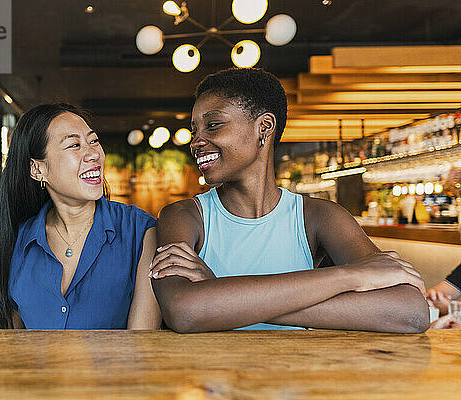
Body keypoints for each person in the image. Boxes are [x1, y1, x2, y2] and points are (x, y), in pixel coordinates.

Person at [150, 68, 430, 333]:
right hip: (210, 381)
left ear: (264, 127)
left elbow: (410, 312)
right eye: (194, 130)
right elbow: (183, 311)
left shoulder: (320, 216)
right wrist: (350, 276)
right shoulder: (184, 215)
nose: (197, 141)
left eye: (212, 125)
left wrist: (220, 294)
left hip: (298, 378)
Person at [0, 103, 161, 329]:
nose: (93, 154)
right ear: (37, 170)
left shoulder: (141, 232)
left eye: (94, 141)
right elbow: (13, 344)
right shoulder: (18, 240)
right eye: (74, 144)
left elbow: (142, 344)